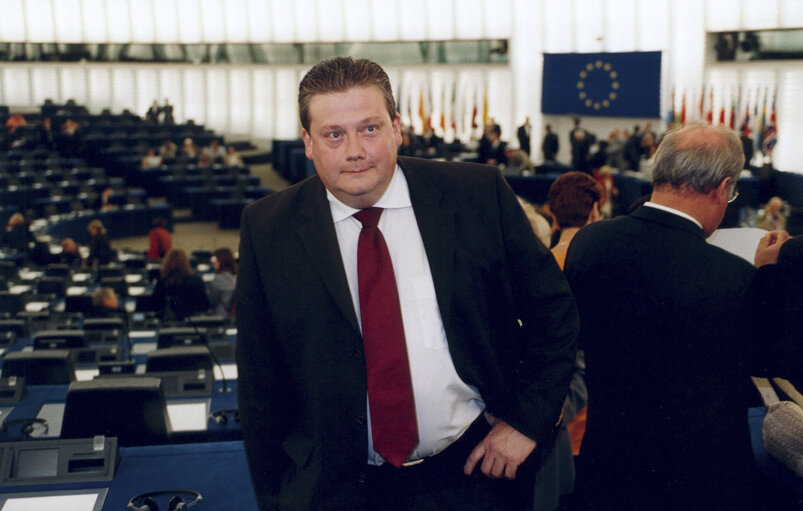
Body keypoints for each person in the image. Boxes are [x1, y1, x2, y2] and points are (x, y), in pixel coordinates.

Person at [236, 57, 578, 511]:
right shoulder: (267, 228)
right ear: (309, 143)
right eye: (334, 134)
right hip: (335, 489)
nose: (354, 150)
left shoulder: (475, 195)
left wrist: (527, 423)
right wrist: (276, 499)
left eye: (370, 128)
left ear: (397, 128)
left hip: (472, 473)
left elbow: (554, 315)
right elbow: (260, 381)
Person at [563, 124, 782, 509]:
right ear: (722, 188)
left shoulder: (588, 243)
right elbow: (766, 358)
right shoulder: (734, 277)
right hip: (697, 482)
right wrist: (768, 277)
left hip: (606, 468)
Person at [152, 248, 209, 321]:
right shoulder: (196, 280)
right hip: (193, 322)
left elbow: (156, 306)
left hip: (169, 323)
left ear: (167, 262)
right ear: (186, 262)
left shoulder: (162, 282)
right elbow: (204, 306)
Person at [209, 247, 237, 317]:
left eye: (216, 260)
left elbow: (212, 300)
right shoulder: (236, 277)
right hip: (234, 315)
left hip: (221, 315)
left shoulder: (218, 279)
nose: (214, 263)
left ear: (221, 261)